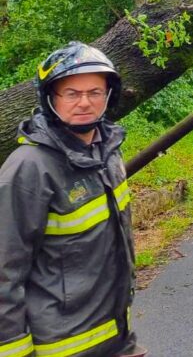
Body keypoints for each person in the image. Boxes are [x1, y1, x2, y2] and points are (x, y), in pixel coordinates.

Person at [0, 42, 145, 357]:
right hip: (63, 346)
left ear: (109, 96)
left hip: (116, 335)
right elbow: (4, 272)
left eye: (95, 92)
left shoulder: (107, 152)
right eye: (72, 93)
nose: (84, 103)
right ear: (50, 98)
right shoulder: (29, 168)